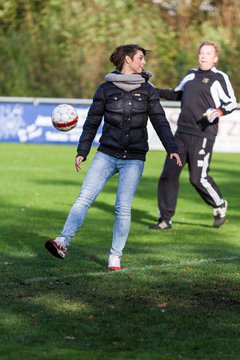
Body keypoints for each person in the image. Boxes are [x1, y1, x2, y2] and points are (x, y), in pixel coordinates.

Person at [45, 44, 182, 270]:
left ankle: (115, 256)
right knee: (84, 198)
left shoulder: (148, 91)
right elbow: (91, 123)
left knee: (122, 207)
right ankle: (62, 242)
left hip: (134, 159)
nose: (144, 62)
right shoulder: (105, 89)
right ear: (128, 60)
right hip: (106, 154)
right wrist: (82, 151)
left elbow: (160, 121)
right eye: (140, 58)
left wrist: (172, 147)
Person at [149, 40, 237, 230]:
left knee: (198, 178)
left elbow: (230, 103)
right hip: (181, 133)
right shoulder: (190, 74)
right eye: (201, 53)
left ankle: (219, 204)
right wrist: (152, 90)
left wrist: (217, 112)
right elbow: (176, 94)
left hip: (203, 134)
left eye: (208, 53)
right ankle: (165, 219)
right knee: (168, 175)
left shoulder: (219, 77)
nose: (203, 56)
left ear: (215, 59)